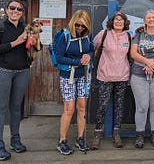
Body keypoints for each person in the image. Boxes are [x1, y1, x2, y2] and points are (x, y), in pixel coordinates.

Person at [0, 0, 40, 161]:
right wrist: (16, 42)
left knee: (16, 107)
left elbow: (37, 47)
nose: (15, 11)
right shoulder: (0, 27)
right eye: (12, 8)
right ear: (7, 9)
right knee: (1, 108)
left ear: (22, 13)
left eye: (19, 9)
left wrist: (35, 39)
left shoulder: (26, 28)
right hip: (2, 71)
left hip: (22, 71)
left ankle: (15, 140)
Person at [90, 11, 131, 149]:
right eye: (116, 20)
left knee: (119, 106)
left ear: (125, 22)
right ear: (112, 22)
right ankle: (97, 133)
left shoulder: (129, 36)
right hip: (105, 75)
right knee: (102, 105)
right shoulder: (104, 34)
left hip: (122, 75)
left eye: (121, 20)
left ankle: (116, 133)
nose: (118, 22)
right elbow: (92, 47)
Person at [130, 9, 154, 148]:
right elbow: (133, 53)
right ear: (144, 20)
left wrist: (152, 63)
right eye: (148, 18)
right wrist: (146, 62)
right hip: (138, 74)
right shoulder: (139, 34)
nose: (151, 20)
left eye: (153, 17)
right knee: (141, 106)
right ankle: (140, 135)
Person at [56, 10, 94, 155]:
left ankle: (80, 138)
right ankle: (62, 140)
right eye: (77, 25)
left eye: (83, 26)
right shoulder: (64, 36)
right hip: (68, 76)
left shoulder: (87, 36)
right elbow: (59, 57)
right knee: (69, 108)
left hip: (84, 75)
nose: (79, 28)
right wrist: (76, 61)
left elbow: (92, 50)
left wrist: (88, 56)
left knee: (82, 107)